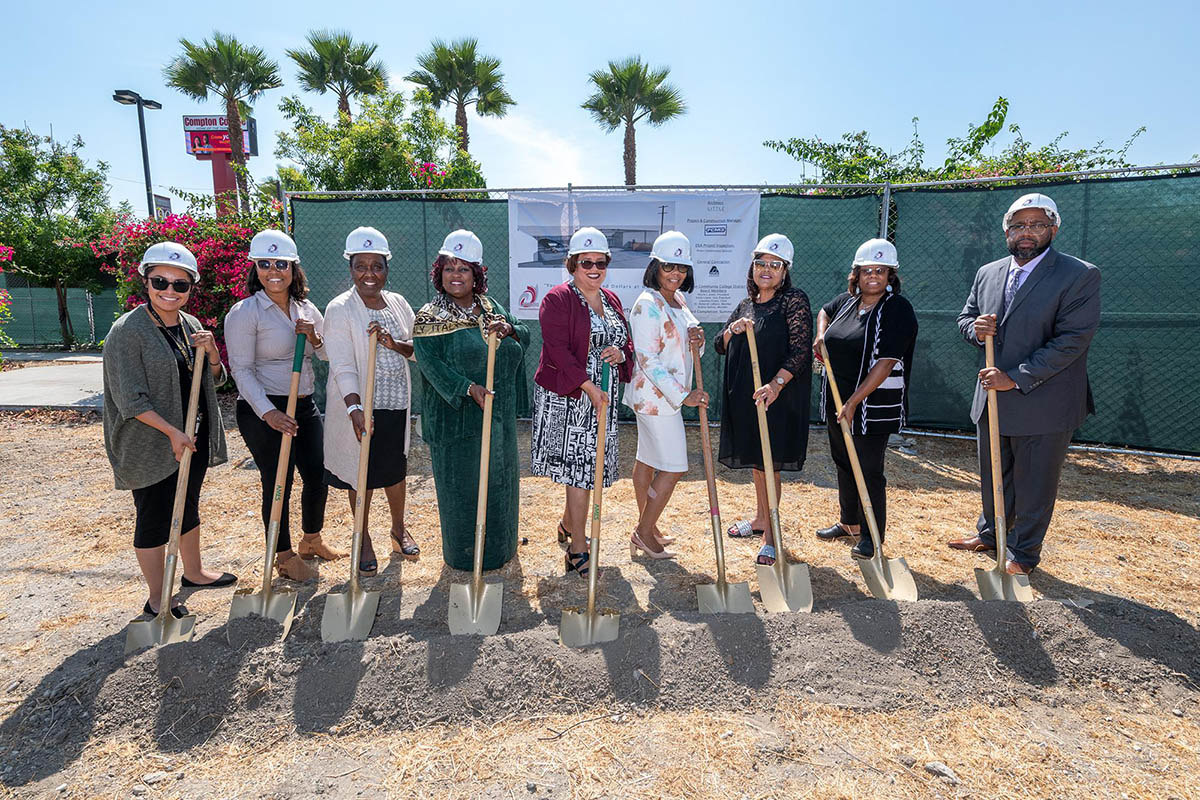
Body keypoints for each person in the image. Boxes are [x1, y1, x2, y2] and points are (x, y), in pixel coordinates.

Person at [949, 193, 1101, 574]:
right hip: (992, 399)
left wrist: (1014, 378)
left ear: (1054, 228)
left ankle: (1024, 553)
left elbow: (1072, 340)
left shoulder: (1079, 274)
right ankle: (991, 533)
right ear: (1006, 232)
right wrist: (974, 328)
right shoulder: (988, 272)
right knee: (993, 474)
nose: (1027, 233)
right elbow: (966, 318)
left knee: (1034, 483)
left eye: (1036, 224)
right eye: (1018, 225)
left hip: (1043, 401)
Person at [102, 242, 237, 618]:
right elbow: (130, 400)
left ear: (191, 288)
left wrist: (211, 354)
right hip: (150, 442)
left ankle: (193, 573)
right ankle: (157, 596)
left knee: (187, 504)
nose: (170, 291)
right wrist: (172, 433)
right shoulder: (128, 331)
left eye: (181, 284)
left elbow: (215, 379)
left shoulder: (190, 324)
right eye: (161, 280)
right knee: (154, 516)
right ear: (145, 280)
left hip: (190, 436)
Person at [225, 229, 341, 583]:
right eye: (264, 263)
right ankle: (283, 555)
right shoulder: (245, 312)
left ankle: (311, 540)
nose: (273, 270)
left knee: (319, 474)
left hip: (303, 404)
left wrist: (315, 337)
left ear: (294, 268)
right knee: (278, 482)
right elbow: (240, 371)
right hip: (264, 409)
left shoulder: (306, 309)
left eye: (281, 263)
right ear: (255, 268)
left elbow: (325, 354)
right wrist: (269, 413)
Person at [413, 230, 529, 571]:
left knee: (500, 484)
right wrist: (468, 388)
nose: (456, 276)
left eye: (463, 269)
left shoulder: (492, 308)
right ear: (439, 273)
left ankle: (501, 547)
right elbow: (431, 366)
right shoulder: (429, 317)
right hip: (456, 424)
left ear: (477, 273)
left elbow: (524, 334)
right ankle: (466, 555)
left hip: (498, 419)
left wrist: (509, 330)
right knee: (462, 491)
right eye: (449, 268)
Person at [531, 226, 635, 577]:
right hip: (571, 398)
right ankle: (577, 549)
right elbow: (557, 350)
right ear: (572, 265)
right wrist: (589, 387)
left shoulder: (612, 301)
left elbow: (627, 343)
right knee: (579, 472)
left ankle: (567, 524)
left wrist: (621, 354)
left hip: (602, 397)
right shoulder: (557, 299)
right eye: (585, 262)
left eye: (600, 262)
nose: (594, 269)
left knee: (588, 470)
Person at [812, 239, 918, 558]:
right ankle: (849, 523)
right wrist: (820, 334)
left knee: (868, 469)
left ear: (890, 276)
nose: (873, 276)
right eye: (867, 270)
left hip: (872, 405)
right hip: (837, 397)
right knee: (844, 461)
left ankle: (872, 535)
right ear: (856, 274)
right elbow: (824, 312)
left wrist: (855, 400)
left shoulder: (897, 309)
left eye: (881, 270)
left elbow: (885, 363)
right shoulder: (848, 302)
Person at [323, 226, 420, 576]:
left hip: (394, 403)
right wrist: (354, 407)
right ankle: (362, 536)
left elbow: (416, 351)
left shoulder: (397, 304)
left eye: (376, 266)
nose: (369, 274)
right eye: (361, 266)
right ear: (350, 268)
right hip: (360, 406)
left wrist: (394, 344)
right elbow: (342, 364)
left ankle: (397, 528)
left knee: (395, 470)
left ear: (386, 268)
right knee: (358, 473)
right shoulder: (339, 309)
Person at [715, 233, 813, 567]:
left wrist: (776, 385)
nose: (766, 270)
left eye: (775, 265)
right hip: (749, 397)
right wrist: (734, 330)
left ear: (785, 272)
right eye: (761, 263)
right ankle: (759, 519)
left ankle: (771, 535)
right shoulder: (747, 304)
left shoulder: (793, 301)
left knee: (770, 465)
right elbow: (719, 343)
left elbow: (800, 351)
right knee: (758, 462)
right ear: (753, 267)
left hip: (776, 397)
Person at [622, 231, 708, 560]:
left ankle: (649, 525)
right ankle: (644, 532)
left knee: (647, 461)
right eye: (669, 266)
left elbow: (681, 344)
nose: (676, 274)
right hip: (656, 399)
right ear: (655, 267)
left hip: (663, 398)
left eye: (682, 268)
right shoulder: (648, 303)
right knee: (673, 467)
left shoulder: (678, 300)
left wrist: (696, 338)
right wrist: (683, 395)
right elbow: (648, 358)